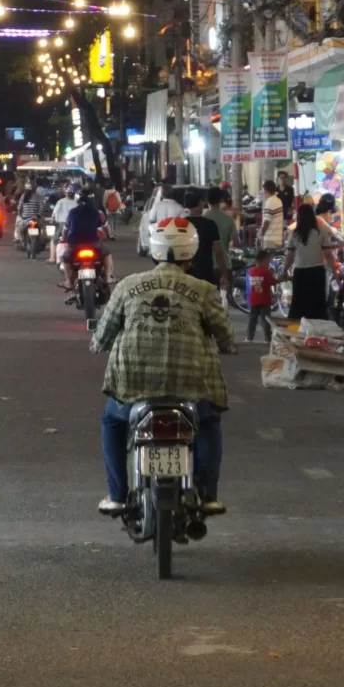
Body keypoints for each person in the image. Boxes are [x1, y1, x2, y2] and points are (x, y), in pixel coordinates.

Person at [91, 216, 234, 516]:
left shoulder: (128, 286)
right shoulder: (204, 290)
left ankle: (117, 495)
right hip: (192, 387)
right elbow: (225, 335)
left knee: (113, 422)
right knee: (207, 423)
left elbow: (103, 335)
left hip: (132, 385)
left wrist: (97, 343)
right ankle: (208, 495)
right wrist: (226, 344)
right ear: (191, 253)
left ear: (154, 250)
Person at [287, 195, 334, 323]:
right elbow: (328, 254)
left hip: (300, 272)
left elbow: (289, 255)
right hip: (317, 272)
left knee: (298, 304)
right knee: (317, 304)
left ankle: (296, 332)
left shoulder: (294, 234)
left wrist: (284, 270)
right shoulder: (321, 233)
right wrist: (334, 270)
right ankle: (318, 333)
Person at [242, 259, 277, 342]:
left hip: (253, 299)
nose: (269, 264)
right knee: (266, 320)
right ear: (263, 261)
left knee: (252, 319)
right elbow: (273, 282)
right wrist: (283, 279)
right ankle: (267, 338)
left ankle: (249, 337)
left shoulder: (251, 272)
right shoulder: (267, 272)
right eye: (268, 261)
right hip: (264, 300)